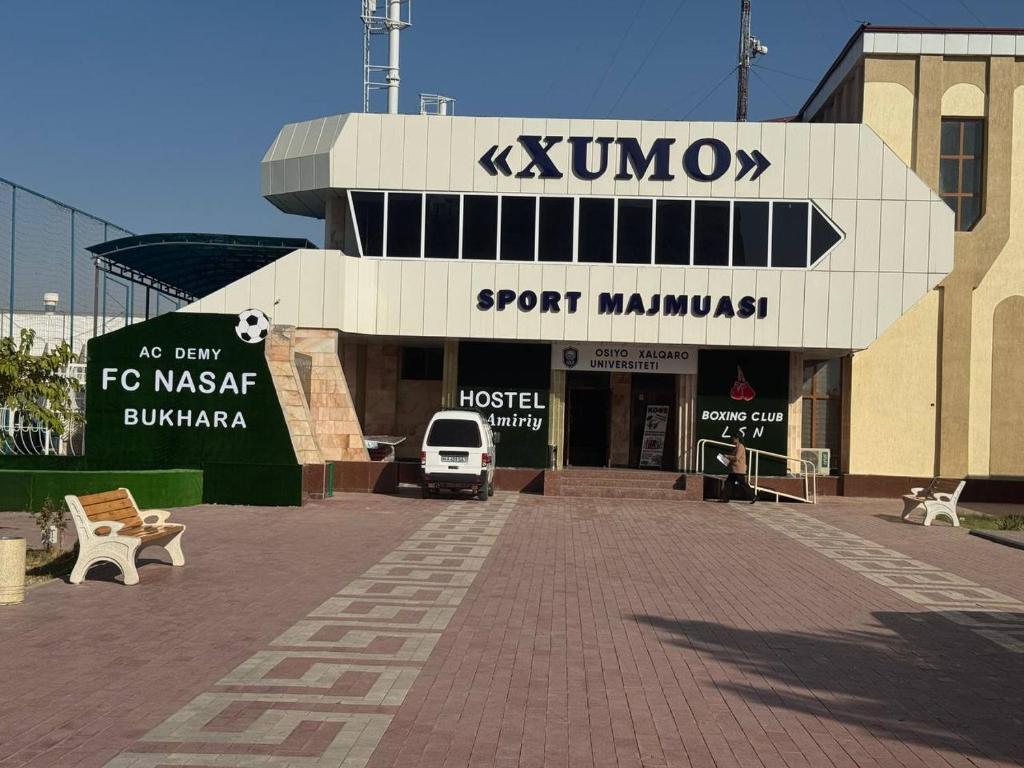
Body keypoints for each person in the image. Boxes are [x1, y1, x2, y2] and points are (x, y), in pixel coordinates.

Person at [721, 436, 757, 503]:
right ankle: (725, 498)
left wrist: (727, 456)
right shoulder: (736, 447)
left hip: (738, 470)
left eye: (733, 438)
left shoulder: (741, 447)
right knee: (729, 483)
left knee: (742, 483)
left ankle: (753, 496)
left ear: (737, 439)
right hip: (734, 470)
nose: (732, 440)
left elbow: (736, 458)